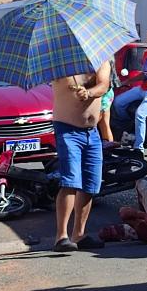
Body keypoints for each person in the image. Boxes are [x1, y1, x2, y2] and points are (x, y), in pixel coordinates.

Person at [50, 61, 110, 252]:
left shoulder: (101, 60)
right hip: (67, 129)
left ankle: (79, 234)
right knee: (71, 181)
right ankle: (61, 237)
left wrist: (89, 92)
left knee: (90, 184)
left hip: (92, 132)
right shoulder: (60, 62)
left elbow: (104, 85)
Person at [97, 59, 116, 143]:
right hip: (108, 93)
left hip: (105, 94)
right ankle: (108, 145)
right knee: (104, 124)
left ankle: (108, 145)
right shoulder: (107, 58)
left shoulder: (103, 61)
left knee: (98, 123)